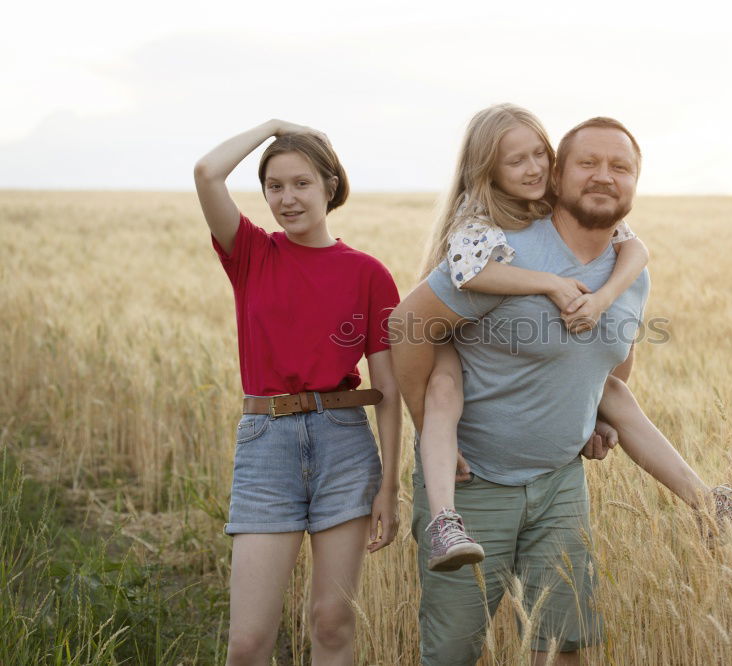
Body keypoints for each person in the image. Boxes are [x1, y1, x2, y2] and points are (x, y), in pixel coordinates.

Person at [194, 119, 402, 665]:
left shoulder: (369, 274)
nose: (287, 199)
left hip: (345, 448)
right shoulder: (250, 254)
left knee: (332, 624)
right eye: (275, 186)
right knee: (247, 643)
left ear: (330, 187)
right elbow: (207, 172)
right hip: (266, 446)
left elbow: (388, 386)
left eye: (302, 183)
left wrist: (390, 485)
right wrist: (272, 127)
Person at [412, 104, 651, 572]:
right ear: (488, 171)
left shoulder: (550, 208)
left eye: (540, 155)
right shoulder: (478, 220)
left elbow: (637, 249)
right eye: (516, 161)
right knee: (442, 394)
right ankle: (444, 518)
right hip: (452, 336)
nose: (534, 168)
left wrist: (602, 297)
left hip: (551, 466)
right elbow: (469, 275)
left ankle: (708, 501)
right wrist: (548, 282)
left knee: (616, 393)